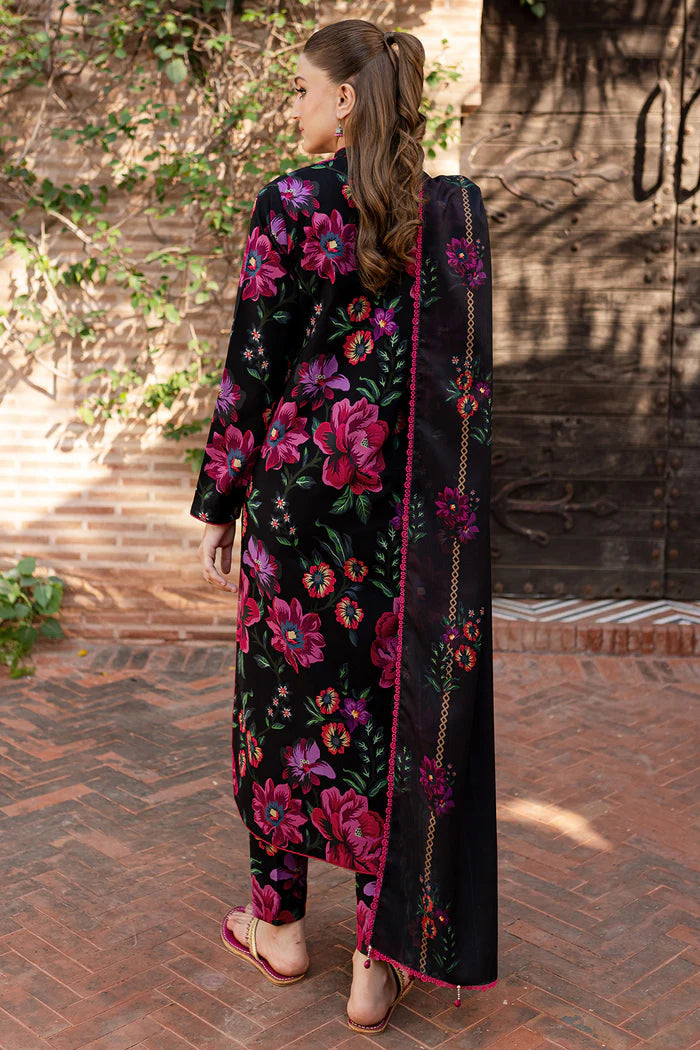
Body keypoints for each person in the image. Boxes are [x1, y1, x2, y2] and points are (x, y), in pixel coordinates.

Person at [192, 17, 497, 1034]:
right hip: (400, 519)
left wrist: (220, 501)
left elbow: (253, 365)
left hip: (296, 508)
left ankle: (278, 925)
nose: (293, 107)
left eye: (299, 89)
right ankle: (374, 958)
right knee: (382, 714)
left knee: (277, 705)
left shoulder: (290, 201)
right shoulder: (443, 211)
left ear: (345, 98)